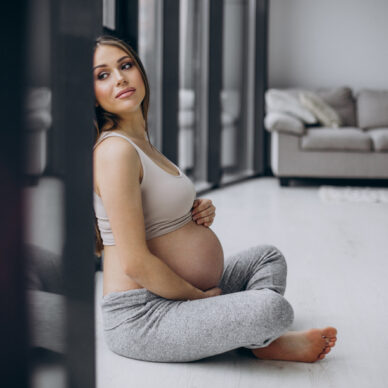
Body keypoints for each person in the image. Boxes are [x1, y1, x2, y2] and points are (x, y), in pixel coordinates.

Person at [92, 35, 337, 363]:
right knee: (272, 309)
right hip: (143, 315)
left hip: (179, 293)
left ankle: (252, 339)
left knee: (267, 258)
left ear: (139, 72)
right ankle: (260, 340)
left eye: (125, 65)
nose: (120, 77)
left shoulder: (140, 143)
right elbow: (135, 262)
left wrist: (192, 214)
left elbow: (158, 218)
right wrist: (198, 299)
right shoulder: (115, 151)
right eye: (102, 75)